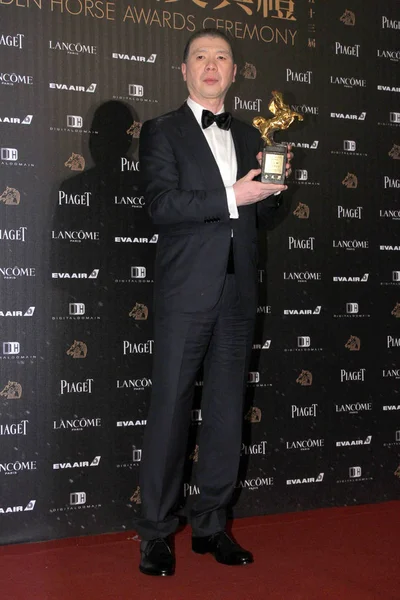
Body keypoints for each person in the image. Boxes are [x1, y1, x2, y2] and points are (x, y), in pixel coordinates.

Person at [134, 28, 292, 576]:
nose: (211, 64)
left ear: (234, 71)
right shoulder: (161, 132)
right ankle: (156, 532)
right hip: (185, 292)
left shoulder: (252, 134)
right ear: (184, 70)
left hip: (238, 292)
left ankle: (211, 525)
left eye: (221, 57)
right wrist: (233, 195)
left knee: (227, 413)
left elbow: (258, 218)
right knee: (170, 411)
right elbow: (161, 204)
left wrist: (273, 190)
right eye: (200, 56)